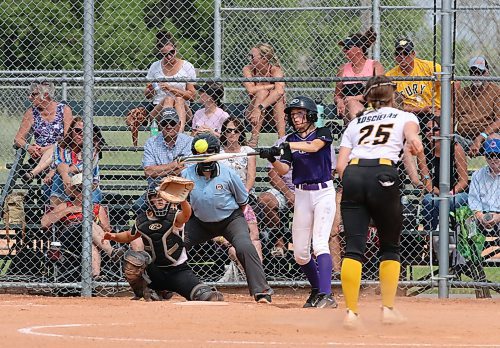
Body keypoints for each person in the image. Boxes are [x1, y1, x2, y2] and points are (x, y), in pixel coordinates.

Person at [336, 76, 423, 328]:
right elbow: (411, 136)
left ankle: (351, 313)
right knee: (389, 246)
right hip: (383, 173)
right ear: (392, 95)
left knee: (354, 247)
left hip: (353, 174)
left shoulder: (356, 122)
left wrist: (357, 186)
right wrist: (414, 141)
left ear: (368, 97)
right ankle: (387, 309)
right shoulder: (403, 116)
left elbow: (341, 165)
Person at [259, 96, 337, 309]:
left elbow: (313, 147)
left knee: (320, 243)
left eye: (300, 114)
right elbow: (283, 170)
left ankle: (327, 294)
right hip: (302, 195)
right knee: (301, 254)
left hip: (323, 193)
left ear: (311, 115)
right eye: (293, 115)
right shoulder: (291, 139)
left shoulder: (323, 132)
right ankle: (316, 289)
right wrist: (271, 157)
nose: (296, 118)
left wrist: (286, 145)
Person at [182, 132, 273, 303]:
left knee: (245, 246)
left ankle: (262, 291)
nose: (205, 159)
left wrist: (231, 220)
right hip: (200, 222)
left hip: (230, 220)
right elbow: (183, 201)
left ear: (216, 154)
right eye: (200, 156)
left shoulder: (228, 174)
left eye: (209, 154)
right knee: (174, 244)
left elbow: (243, 202)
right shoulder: (187, 174)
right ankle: (164, 287)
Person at [103, 186, 224, 302]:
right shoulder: (142, 220)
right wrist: (114, 236)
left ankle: (167, 290)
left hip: (178, 271)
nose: (160, 199)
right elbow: (130, 236)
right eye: (156, 197)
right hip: (154, 271)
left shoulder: (174, 216)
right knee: (133, 259)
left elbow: (186, 215)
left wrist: (182, 200)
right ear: (150, 200)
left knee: (205, 296)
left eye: (163, 197)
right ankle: (145, 290)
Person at [41, 173, 124, 279]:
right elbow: (44, 223)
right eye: (80, 190)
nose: (84, 193)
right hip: (71, 236)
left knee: (91, 243)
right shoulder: (65, 206)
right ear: (73, 192)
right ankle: (111, 252)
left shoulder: (97, 208)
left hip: (95, 237)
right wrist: (68, 211)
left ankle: (96, 276)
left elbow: (107, 229)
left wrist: (97, 220)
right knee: (87, 223)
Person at [219, 117, 262, 262]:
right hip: (224, 197)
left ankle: (258, 272)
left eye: (236, 131)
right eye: (229, 130)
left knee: (254, 237)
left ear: (240, 133)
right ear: (224, 133)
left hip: (245, 196)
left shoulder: (247, 151)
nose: (232, 134)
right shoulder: (218, 153)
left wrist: (242, 194)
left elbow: (251, 177)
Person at [135, 108, 192, 215]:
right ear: (160, 125)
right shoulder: (151, 143)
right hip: (156, 189)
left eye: (172, 122)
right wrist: (175, 165)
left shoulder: (188, 141)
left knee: (194, 204)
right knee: (138, 206)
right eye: (165, 123)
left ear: (179, 124)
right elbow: (149, 172)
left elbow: (187, 171)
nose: (169, 126)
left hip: (181, 189)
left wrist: (161, 172)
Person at [14, 82, 73, 181]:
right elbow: (18, 139)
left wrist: (45, 149)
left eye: (33, 94)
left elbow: (69, 139)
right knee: (53, 153)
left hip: (63, 153)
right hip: (39, 156)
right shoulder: (31, 113)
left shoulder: (64, 110)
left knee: (56, 150)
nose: (30, 97)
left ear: (45, 95)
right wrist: (28, 147)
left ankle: (33, 173)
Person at [421, 118, 469, 231]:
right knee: (428, 200)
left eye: (435, 129)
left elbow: (464, 180)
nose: (430, 132)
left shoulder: (455, 148)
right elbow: (426, 181)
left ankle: (457, 237)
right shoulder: (423, 151)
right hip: (435, 192)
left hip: (456, 192)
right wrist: (440, 193)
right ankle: (432, 238)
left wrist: (450, 193)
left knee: (454, 201)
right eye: (427, 129)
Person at [145, 31, 196, 133]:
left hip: (182, 109)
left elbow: (192, 96)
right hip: (158, 108)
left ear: (176, 49)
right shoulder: (155, 67)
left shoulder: (187, 66)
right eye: (165, 54)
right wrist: (153, 89)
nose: (169, 57)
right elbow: (147, 94)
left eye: (171, 52)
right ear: (160, 54)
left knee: (178, 99)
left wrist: (171, 89)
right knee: (168, 99)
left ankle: (179, 135)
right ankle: (167, 133)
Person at [386, 38, 441, 130]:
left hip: (433, 112)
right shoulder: (390, 76)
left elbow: (455, 84)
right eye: (398, 54)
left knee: (434, 127)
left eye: (406, 53)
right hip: (406, 114)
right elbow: (393, 105)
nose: (402, 57)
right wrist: (421, 110)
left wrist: (446, 109)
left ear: (413, 54)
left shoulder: (430, 67)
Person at [48, 117, 102, 207]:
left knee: (79, 176)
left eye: (85, 131)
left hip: (88, 187)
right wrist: (65, 175)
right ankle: (56, 211)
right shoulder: (60, 146)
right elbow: (57, 163)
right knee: (58, 176)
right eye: (77, 130)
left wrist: (65, 172)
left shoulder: (93, 149)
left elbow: (83, 167)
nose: (81, 134)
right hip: (62, 185)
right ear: (71, 131)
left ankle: (81, 209)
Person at [334, 27, 385, 122]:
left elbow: (380, 93)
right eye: (343, 48)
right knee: (351, 104)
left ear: (359, 48)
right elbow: (337, 95)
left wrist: (353, 98)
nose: (344, 50)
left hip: (372, 109)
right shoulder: (342, 68)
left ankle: (359, 128)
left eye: (347, 47)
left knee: (352, 103)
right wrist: (339, 101)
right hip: (348, 111)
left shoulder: (375, 66)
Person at [257, 136, 295, 258]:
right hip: (285, 189)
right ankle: (279, 240)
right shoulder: (282, 142)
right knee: (265, 200)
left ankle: (306, 248)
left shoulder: (319, 140)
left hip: (310, 189)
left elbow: (329, 171)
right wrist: (288, 193)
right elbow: (273, 174)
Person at [243, 43, 286, 146]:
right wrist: (271, 86)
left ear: (264, 58)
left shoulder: (275, 70)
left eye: (252, 56)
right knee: (262, 93)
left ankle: (282, 140)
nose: (250, 58)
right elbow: (250, 90)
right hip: (253, 115)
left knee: (278, 98)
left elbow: (280, 91)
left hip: (272, 116)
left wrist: (260, 108)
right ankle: (254, 138)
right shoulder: (248, 69)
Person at [455, 56, 499, 156]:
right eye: (473, 72)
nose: (476, 75)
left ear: (487, 72)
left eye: (480, 72)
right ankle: (451, 172)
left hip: (486, 135)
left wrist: (480, 138)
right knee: (445, 140)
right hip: (464, 136)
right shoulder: (462, 93)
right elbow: (452, 117)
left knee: (494, 140)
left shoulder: (496, 92)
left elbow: (498, 121)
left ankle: (495, 172)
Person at [468, 136, 500, 233]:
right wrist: (480, 217)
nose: (493, 159)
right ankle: (471, 247)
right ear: (485, 157)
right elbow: (474, 200)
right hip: (482, 213)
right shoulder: (477, 175)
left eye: (498, 155)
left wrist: (498, 217)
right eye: (490, 155)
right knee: (468, 222)